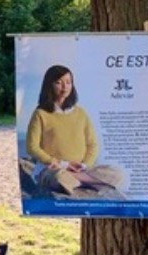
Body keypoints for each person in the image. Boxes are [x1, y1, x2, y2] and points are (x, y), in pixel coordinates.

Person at [26, 64, 124, 195]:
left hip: (81, 169)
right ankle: (92, 183)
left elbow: (92, 144)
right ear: (49, 85)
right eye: (58, 82)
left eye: (68, 82)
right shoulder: (40, 114)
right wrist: (60, 164)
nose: (64, 87)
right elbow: (32, 146)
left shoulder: (80, 113)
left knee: (117, 173)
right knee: (59, 177)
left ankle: (81, 180)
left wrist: (84, 165)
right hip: (53, 169)